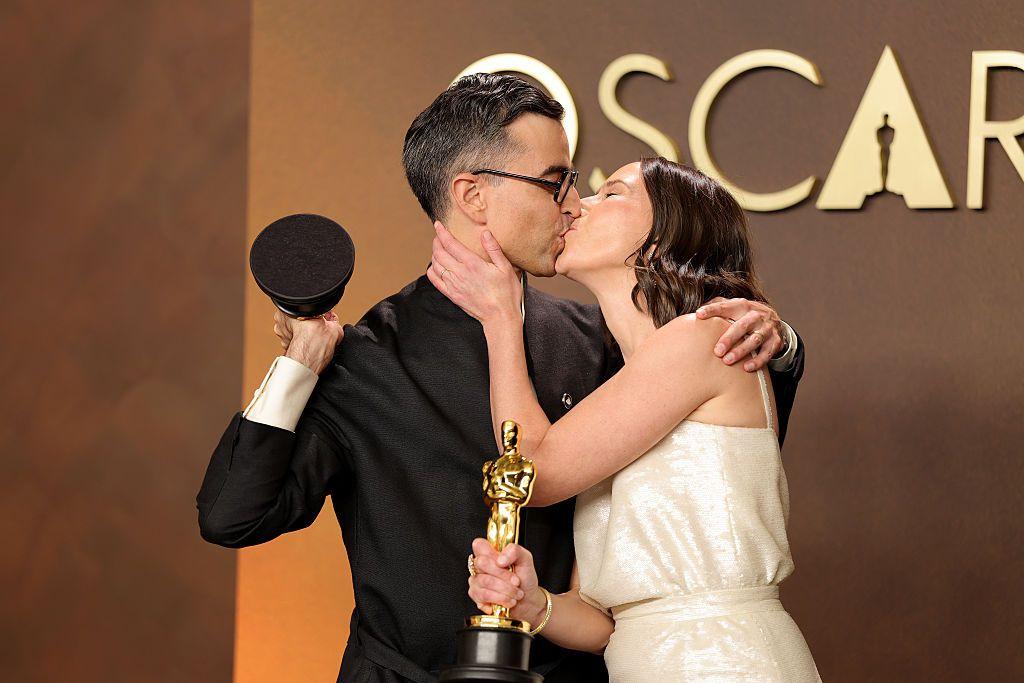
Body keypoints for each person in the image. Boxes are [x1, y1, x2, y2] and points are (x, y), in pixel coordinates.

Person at [195, 73, 804, 682]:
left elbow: (723, 458)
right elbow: (233, 515)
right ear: (473, 195)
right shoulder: (364, 358)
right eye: (553, 181)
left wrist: (775, 340)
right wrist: (298, 367)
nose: (571, 202)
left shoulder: (601, 338)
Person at [436, 157, 818, 681]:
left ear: (662, 241)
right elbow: (606, 622)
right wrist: (534, 603)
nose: (576, 206)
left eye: (611, 194)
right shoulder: (625, 386)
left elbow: (534, 471)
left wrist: (502, 317)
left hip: (725, 663)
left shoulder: (699, 341)